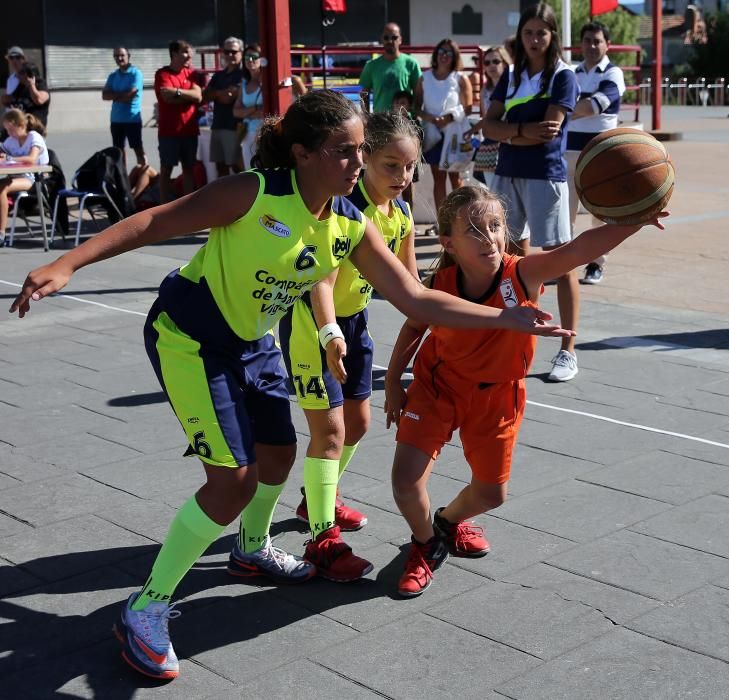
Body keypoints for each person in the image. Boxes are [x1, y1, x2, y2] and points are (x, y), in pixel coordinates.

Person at [10, 90, 570, 681]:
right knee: (231, 485)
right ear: (302, 154)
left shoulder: (348, 222)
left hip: (254, 344)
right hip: (191, 337)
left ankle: (251, 550)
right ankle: (145, 606)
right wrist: (68, 263)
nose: (357, 163)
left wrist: (504, 316)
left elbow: (414, 295)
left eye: (360, 152)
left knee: (278, 456)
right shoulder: (253, 192)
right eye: (345, 152)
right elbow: (155, 220)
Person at [384, 186, 667, 597]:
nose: (490, 238)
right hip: (437, 387)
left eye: (495, 226)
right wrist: (393, 382)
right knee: (405, 482)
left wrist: (633, 221)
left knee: (491, 494)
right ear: (448, 242)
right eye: (475, 231)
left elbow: (577, 251)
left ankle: (446, 522)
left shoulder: (523, 275)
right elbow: (414, 324)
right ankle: (427, 544)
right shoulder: (438, 284)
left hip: (497, 395)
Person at [278, 111, 421, 581]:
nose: (403, 177)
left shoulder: (400, 215)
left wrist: (464, 295)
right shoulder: (346, 207)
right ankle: (321, 538)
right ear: (367, 159)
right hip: (315, 327)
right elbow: (323, 277)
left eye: (410, 167)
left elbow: (411, 285)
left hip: (355, 323)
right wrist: (328, 333)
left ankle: (316, 498)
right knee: (330, 433)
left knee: (358, 424)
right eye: (391, 166)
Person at [482, 3, 581, 382]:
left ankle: (568, 351)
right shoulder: (511, 73)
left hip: (545, 175)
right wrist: (521, 133)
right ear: (520, 36)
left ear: (552, 35)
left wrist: (508, 131)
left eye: (542, 32)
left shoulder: (562, 76)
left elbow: (550, 130)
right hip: (506, 173)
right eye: (528, 32)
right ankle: (515, 338)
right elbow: (488, 127)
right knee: (508, 260)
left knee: (561, 262)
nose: (535, 39)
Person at [566, 21, 626, 285]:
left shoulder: (614, 74)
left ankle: (596, 264)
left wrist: (563, 107)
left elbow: (593, 107)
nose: (591, 45)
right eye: (587, 40)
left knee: (600, 215)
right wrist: (569, 107)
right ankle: (564, 265)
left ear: (607, 44)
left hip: (601, 154)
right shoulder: (571, 73)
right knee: (564, 214)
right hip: (568, 152)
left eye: (597, 41)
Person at [415, 38, 473, 222]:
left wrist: (449, 118)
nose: (444, 56)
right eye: (441, 52)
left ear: (455, 56)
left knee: (456, 179)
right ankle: (443, 222)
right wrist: (432, 119)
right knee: (438, 178)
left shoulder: (461, 78)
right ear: (435, 55)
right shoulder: (424, 78)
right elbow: (417, 107)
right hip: (433, 136)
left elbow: (469, 107)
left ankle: (461, 220)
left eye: (448, 53)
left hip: (454, 137)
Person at [154, 39, 202, 203]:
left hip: (189, 131)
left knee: (188, 168)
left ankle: (188, 207)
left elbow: (198, 96)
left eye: (190, 51)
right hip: (169, 132)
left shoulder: (192, 73)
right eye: (185, 51)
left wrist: (177, 93)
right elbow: (167, 98)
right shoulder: (162, 74)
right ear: (174, 54)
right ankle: (162, 207)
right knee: (166, 169)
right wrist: (187, 96)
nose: (189, 55)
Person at [464, 45, 512, 189]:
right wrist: (472, 131)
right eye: (487, 62)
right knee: (493, 190)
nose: (491, 66)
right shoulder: (486, 89)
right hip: (490, 145)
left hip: (511, 142)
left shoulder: (514, 86)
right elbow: (487, 118)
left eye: (496, 61)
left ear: (505, 62)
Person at [0, 108, 49, 246]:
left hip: (35, 179)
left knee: (2, 188)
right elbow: (2, 151)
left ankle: (1, 233)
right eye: (7, 130)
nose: (9, 133)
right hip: (17, 177)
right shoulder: (11, 140)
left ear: (21, 125)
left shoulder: (34, 137)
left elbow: (32, 159)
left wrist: (9, 157)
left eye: (11, 130)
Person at [359, 22, 422, 114]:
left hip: (404, 121)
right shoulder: (371, 66)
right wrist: (366, 117)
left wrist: (416, 115)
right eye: (386, 38)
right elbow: (363, 94)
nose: (390, 41)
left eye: (394, 37)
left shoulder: (411, 64)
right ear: (382, 40)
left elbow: (418, 94)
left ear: (400, 39)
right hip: (381, 121)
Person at [202, 37, 244, 177]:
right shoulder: (219, 75)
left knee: (237, 165)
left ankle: (244, 196)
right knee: (220, 166)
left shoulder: (244, 74)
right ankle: (225, 196)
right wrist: (222, 93)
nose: (230, 55)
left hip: (235, 126)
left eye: (233, 51)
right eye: (227, 52)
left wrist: (216, 94)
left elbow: (227, 98)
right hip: (218, 124)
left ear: (241, 52)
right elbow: (205, 96)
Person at [102, 47, 146, 169]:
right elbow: (104, 95)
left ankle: (144, 175)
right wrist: (122, 96)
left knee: (138, 149)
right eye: (116, 56)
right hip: (116, 120)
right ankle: (124, 179)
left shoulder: (136, 73)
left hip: (132, 119)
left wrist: (115, 96)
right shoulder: (112, 75)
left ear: (128, 56)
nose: (119, 58)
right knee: (119, 151)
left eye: (122, 55)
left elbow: (130, 96)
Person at [1, 48, 51, 128]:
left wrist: (31, 85)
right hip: (18, 128)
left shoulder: (40, 84)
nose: (14, 60)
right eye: (11, 58)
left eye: (17, 57)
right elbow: (10, 100)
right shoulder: (17, 83)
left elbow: (39, 100)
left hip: (35, 129)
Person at [233, 43, 264, 169]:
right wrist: (256, 108)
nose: (250, 60)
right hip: (247, 134)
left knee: (265, 171)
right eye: (246, 57)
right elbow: (235, 112)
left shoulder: (267, 81)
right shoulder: (244, 85)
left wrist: (246, 112)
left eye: (254, 56)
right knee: (250, 172)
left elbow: (266, 111)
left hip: (264, 134)